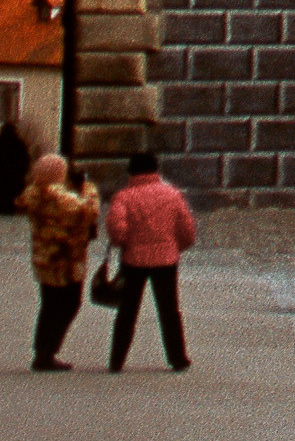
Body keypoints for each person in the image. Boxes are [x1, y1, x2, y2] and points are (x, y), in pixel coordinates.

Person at [103, 147, 194, 370]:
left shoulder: (124, 196)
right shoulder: (172, 194)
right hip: (166, 260)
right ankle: (177, 358)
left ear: (131, 172)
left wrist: (123, 243)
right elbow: (187, 229)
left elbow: (116, 229)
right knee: (169, 310)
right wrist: (175, 247)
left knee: (127, 311)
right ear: (155, 169)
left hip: (134, 260)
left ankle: (117, 360)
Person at [20, 148, 99, 370]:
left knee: (49, 305)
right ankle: (48, 351)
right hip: (67, 259)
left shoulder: (33, 194)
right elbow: (89, 212)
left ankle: (41, 351)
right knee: (70, 303)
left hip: (44, 257)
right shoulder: (62, 197)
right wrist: (88, 188)